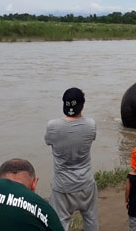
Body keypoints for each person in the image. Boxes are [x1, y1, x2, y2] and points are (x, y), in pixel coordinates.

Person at [44, 88, 98, 231]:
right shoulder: (91, 125)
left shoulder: (52, 126)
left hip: (62, 186)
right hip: (86, 183)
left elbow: (48, 141)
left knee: (59, 224)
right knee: (91, 219)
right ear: (82, 105)